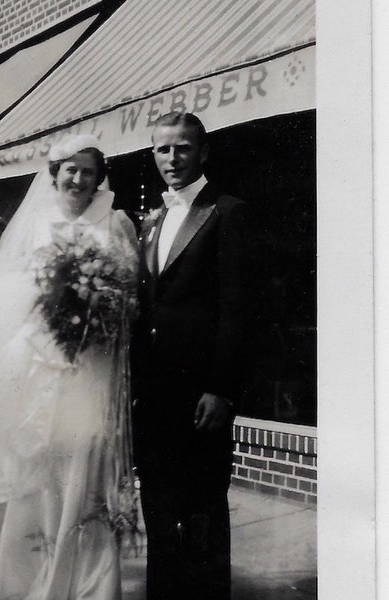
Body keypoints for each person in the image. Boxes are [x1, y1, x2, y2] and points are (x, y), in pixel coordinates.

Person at [0, 134, 139, 600]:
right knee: (37, 484)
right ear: (54, 174)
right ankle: (30, 586)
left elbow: (132, 296)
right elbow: (6, 301)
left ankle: (90, 589)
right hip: (37, 371)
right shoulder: (33, 227)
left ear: (99, 179)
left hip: (93, 374)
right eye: (70, 169)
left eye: (87, 171)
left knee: (85, 481)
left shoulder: (115, 223)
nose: (78, 178)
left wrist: (102, 307)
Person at [132, 112, 249, 600]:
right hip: (153, 397)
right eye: (163, 149)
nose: (172, 158)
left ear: (202, 153)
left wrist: (222, 388)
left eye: (182, 148)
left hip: (201, 397)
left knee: (202, 515)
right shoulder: (152, 221)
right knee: (158, 515)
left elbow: (239, 310)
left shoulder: (228, 211)